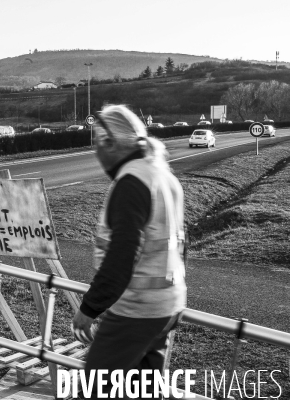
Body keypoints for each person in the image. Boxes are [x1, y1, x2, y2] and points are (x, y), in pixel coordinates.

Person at [71, 105, 187, 399]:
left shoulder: (130, 183)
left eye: (96, 142)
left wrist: (89, 309)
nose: (95, 152)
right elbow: (182, 243)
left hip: (136, 310)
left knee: (95, 388)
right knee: (143, 391)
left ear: (110, 143)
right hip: (168, 305)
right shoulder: (163, 175)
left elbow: (122, 256)